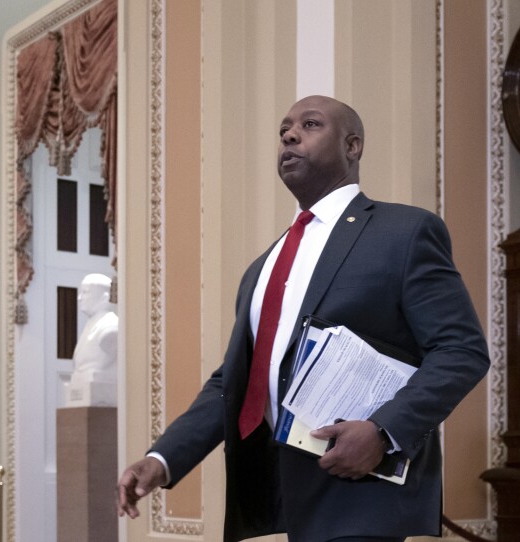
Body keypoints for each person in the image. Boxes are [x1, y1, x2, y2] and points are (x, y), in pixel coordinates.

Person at [117, 95, 490, 542]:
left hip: (362, 491)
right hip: (285, 494)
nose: (290, 135)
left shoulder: (404, 233)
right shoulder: (263, 266)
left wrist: (384, 432)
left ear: (352, 146)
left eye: (310, 125)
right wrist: (162, 459)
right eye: (284, 130)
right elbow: (237, 383)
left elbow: (461, 350)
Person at [67, 273, 118, 406]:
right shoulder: (90, 325)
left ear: (104, 297)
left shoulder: (110, 327)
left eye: (85, 292)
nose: (79, 298)